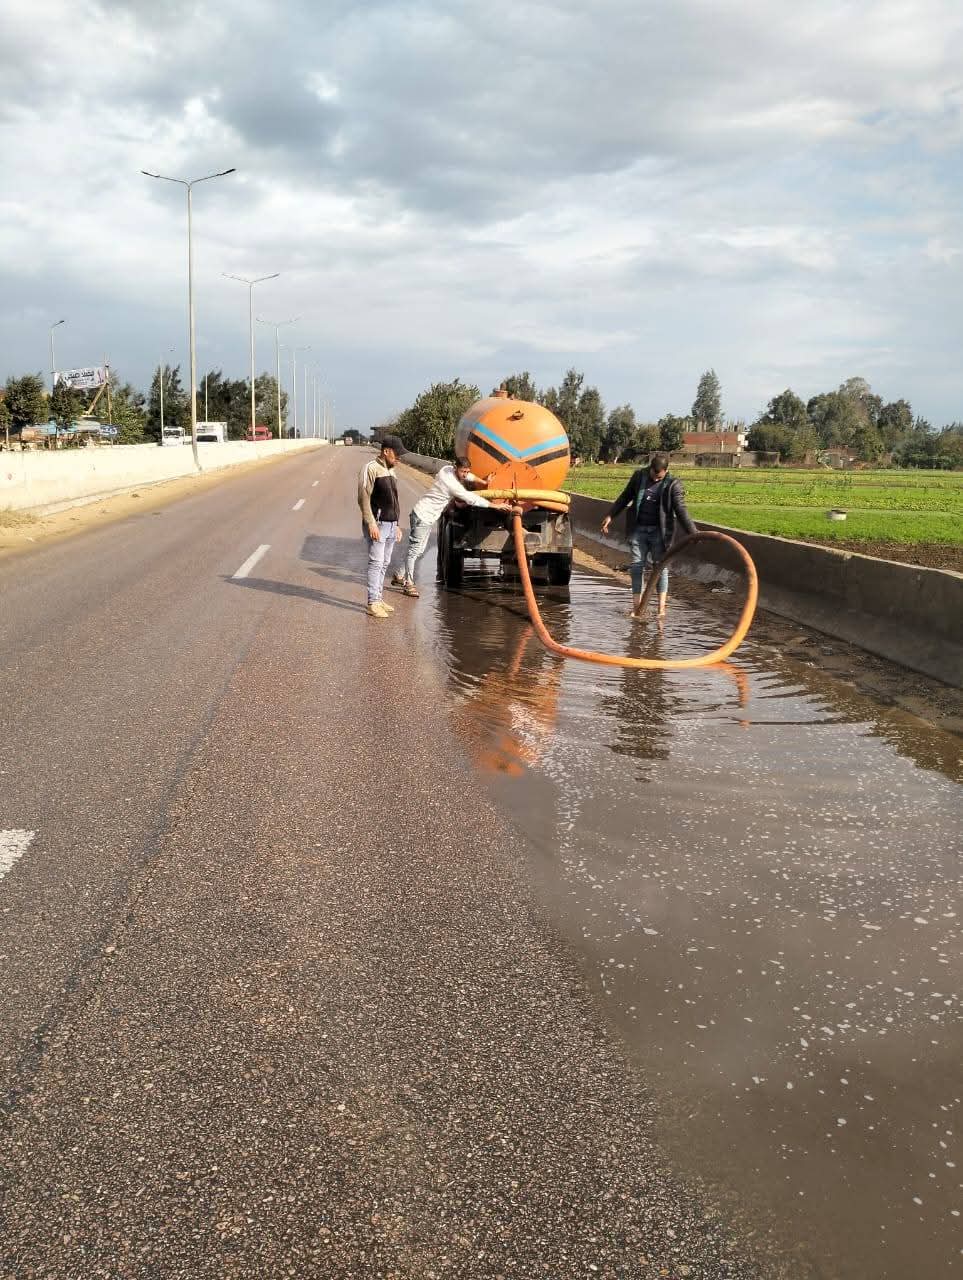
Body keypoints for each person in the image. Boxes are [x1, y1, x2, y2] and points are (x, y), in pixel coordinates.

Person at [600, 451, 697, 619]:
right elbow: (625, 497)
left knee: (660, 568)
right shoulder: (639, 477)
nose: (655, 479)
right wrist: (610, 516)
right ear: (650, 468)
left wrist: (693, 532)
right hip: (638, 530)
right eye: (653, 474)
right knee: (637, 567)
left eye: (659, 477)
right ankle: (637, 608)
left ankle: (661, 610)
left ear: (666, 471)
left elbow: (680, 510)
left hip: (660, 532)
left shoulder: (673, 485)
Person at [391, 458, 504, 597]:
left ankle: (399, 575)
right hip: (422, 516)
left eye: (467, 471)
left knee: (418, 551)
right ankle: (408, 584)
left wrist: (484, 482)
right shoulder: (451, 484)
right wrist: (495, 505)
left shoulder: (446, 470)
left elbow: (468, 476)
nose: (465, 474)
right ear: (456, 468)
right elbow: (470, 498)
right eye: (463, 471)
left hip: (426, 516)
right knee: (415, 550)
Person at [358, 434, 406, 618]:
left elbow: (393, 502)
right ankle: (372, 602)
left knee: (385, 563)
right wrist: (371, 523)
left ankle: (378, 598)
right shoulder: (370, 469)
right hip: (378, 524)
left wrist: (397, 525)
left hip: (391, 525)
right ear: (386, 451)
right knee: (376, 563)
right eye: (396, 454)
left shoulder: (391, 470)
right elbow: (363, 498)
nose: (399, 458)